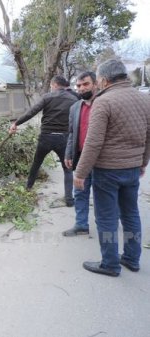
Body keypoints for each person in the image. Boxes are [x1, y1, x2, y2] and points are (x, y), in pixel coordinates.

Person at [74, 59, 150, 277]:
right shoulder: (144, 99)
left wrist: (80, 172)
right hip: (132, 169)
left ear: (104, 80)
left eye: (98, 80)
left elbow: (93, 142)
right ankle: (132, 259)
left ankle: (110, 263)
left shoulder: (104, 101)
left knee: (106, 218)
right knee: (130, 214)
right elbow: (149, 136)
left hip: (107, 171)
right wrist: (143, 161)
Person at [9, 75, 78, 206]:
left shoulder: (47, 97)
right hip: (64, 138)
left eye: (52, 86)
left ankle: (27, 190)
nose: (51, 88)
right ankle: (69, 199)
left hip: (46, 137)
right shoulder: (74, 99)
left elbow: (32, 112)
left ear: (55, 85)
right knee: (67, 169)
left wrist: (16, 123)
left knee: (36, 164)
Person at [62, 71, 98, 236]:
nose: (81, 88)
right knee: (80, 192)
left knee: (101, 195)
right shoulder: (75, 107)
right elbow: (71, 133)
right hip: (82, 157)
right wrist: (68, 154)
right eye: (78, 85)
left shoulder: (103, 104)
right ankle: (81, 224)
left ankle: (104, 224)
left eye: (86, 84)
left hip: (101, 160)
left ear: (95, 84)